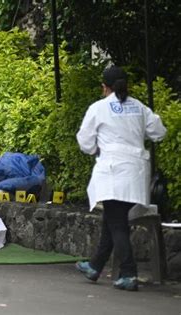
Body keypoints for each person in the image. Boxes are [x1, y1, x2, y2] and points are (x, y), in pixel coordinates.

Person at [75, 66, 166, 291]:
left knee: (117, 223)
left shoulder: (99, 108)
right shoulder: (140, 107)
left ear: (104, 87)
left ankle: (128, 273)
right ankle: (95, 266)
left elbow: (85, 143)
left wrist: (98, 147)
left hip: (112, 171)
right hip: (136, 172)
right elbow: (159, 132)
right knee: (113, 218)